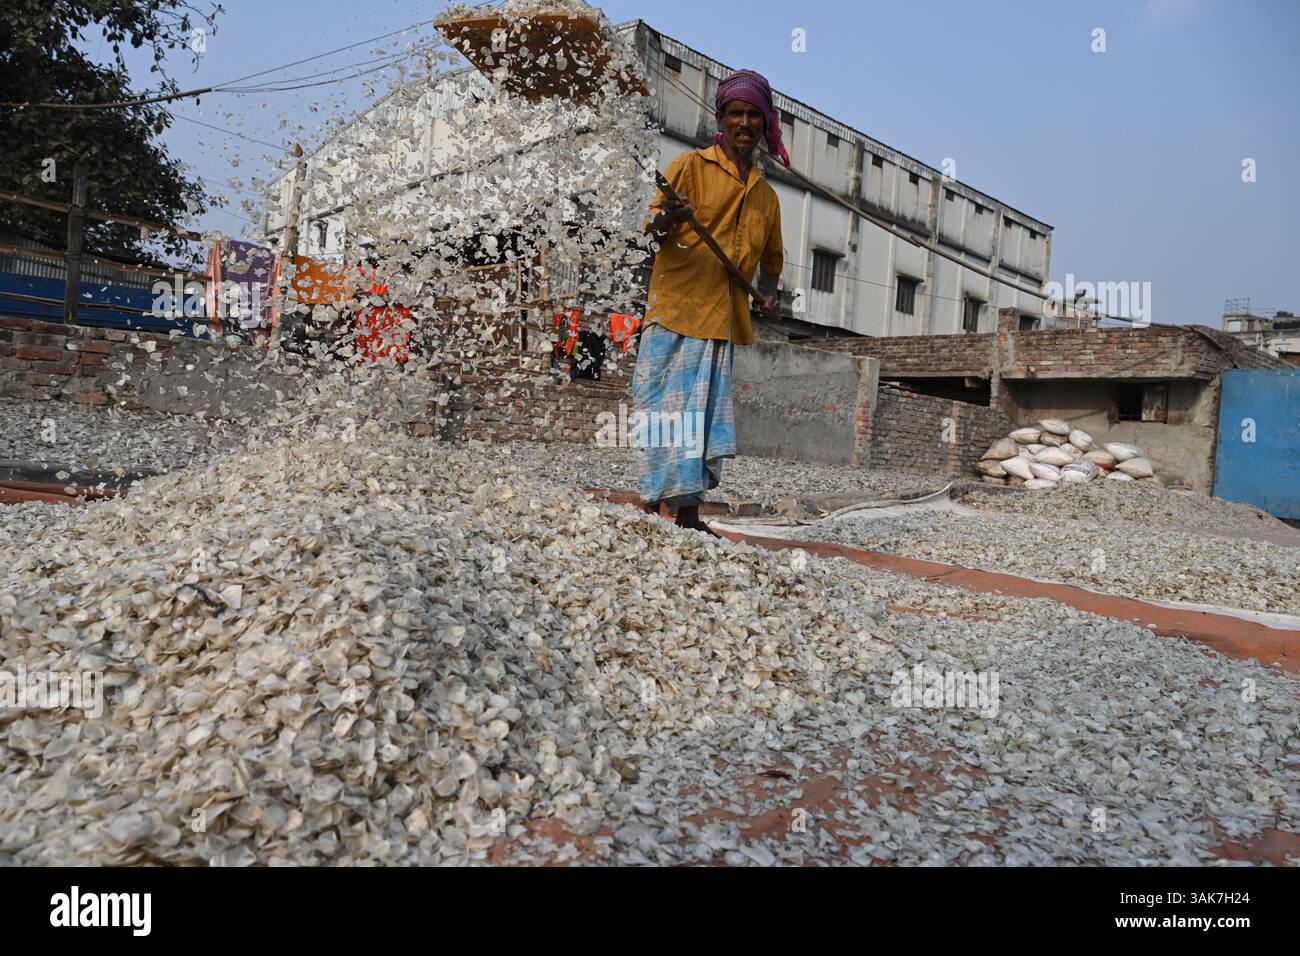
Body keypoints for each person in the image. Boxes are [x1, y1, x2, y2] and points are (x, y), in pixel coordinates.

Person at [633, 69, 787, 535]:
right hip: (675, 309)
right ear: (721, 119)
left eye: (753, 115)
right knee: (661, 412)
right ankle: (649, 507)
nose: (744, 122)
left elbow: (773, 260)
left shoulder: (767, 196)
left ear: (765, 124)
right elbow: (649, 237)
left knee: (698, 421)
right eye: (735, 113)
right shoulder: (687, 167)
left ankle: (689, 517)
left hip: (721, 318)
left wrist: (770, 295)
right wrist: (670, 219)